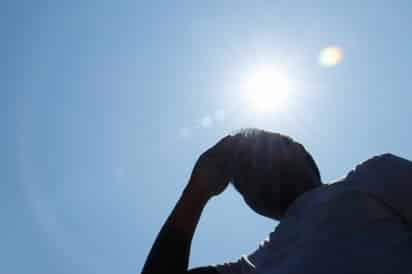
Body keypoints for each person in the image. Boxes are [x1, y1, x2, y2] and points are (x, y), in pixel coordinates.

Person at [141, 129, 412, 274]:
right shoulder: (251, 268)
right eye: (245, 168)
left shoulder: (373, 176)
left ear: (303, 152)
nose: (261, 163)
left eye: (274, 146)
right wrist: (195, 193)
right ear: (252, 204)